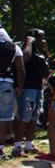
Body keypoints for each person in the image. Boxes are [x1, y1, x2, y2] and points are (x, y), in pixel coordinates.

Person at [14, 29, 49, 156]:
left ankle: (29, 144)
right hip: (27, 88)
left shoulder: (39, 52)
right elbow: (24, 60)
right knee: (24, 117)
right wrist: (29, 42)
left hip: (38, 88)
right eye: (40, 37)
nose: (42, 40)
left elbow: (46, 69)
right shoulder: (24, 50)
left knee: (34, 117)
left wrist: (46, 50)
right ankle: (17, 147)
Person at [0, 22, 25, 160]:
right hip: (6, 83)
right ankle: (0, 149)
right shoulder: (13, 48)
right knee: (4, 117)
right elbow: (20, 69)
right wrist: (19, 86)